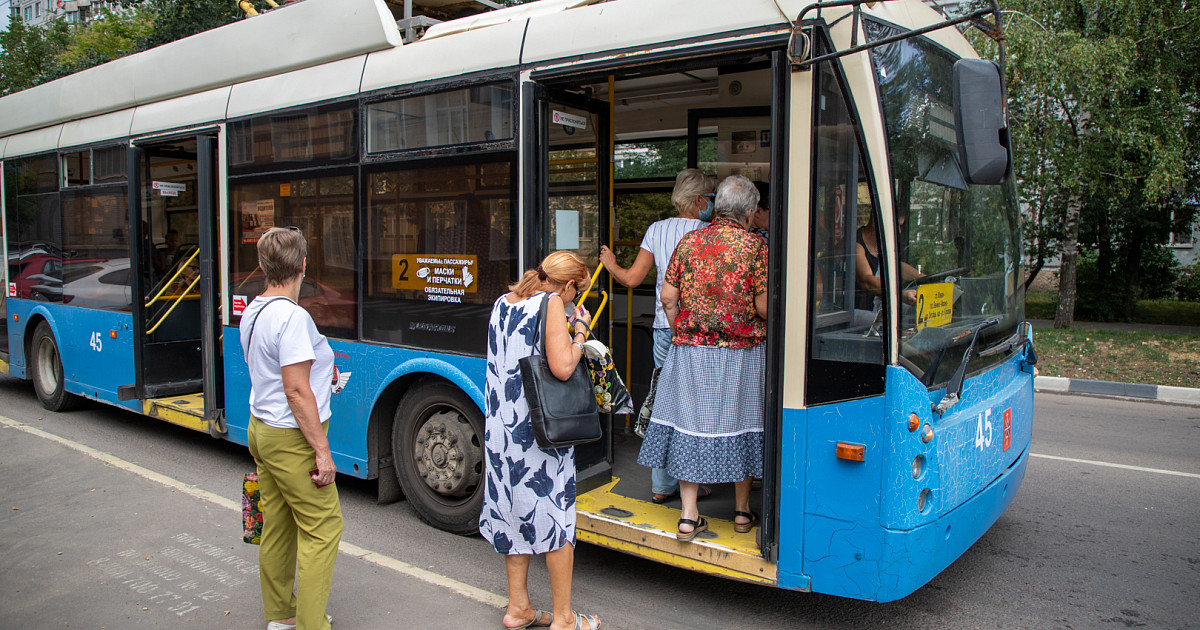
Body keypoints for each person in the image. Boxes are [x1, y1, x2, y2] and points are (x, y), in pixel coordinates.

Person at [638, 175, 768, 541]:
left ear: (717, 206)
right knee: (745, 424)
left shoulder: (689, 241)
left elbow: (668, 297)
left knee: (689, 425)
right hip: (742, 354)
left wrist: (683, 330)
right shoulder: (755, 247)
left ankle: (688, 515)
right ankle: (741, 512)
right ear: (749, 212)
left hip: (691, 351)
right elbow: (762, 307)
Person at [480, 251, 601, 630]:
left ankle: (518, 608)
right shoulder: (549, 304)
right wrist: (580, 331)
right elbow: (562, 366)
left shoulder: (504, 302)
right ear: (568, 285)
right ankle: (564, 617)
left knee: (514, 512)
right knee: (555, 518)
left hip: (502, 431)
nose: (574, 299)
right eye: (575, 293)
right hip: (538, 433)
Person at [240, 227, 341, 630]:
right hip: (291, 438)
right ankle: (312, 625)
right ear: (303, 265)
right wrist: (322, 452)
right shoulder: (293, 317)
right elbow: (297, 392)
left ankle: (281, 614)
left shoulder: (254, 309)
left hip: (261, 428)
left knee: (278, 525)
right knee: (324, 527)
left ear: (263, 265)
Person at [598, 168, 715, 504]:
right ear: (699, 200)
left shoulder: (656, 230)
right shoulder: (708, 232)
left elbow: (632, 279)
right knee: (695, 406)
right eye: (710, 196)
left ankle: (661, 485)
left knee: (664, 401)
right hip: (698, 330)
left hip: (664, 327)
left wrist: (610, 263)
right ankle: (693, 481)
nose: (712, 203)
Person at [854, 212, 922, 326]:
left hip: (878, 306)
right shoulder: (856, 245)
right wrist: (899, 294)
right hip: (854, 314)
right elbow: (866, 280)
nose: (899, 231)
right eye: (896, 226)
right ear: (877, 222)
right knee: (895, 326)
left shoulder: (881, 244)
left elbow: (896, 267)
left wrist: (928, 279)